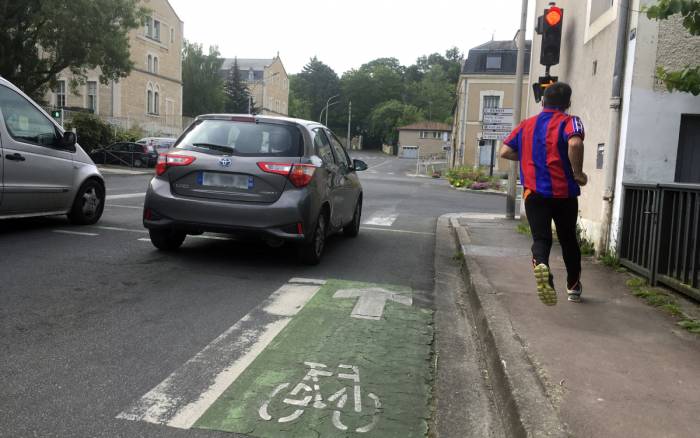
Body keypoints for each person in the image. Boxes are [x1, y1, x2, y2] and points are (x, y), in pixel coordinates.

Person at [499, 82, 587, 305]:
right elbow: (575, 144)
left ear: (543, 101)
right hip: (564, 194)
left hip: (534, 193)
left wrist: (529, 156)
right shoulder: (570, 121)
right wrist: (578, 173)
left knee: (541, 238)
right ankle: (573, 286)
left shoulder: (526, 125)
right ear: (567, 103)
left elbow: (505, 151)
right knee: (568, 239)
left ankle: (541, 264)